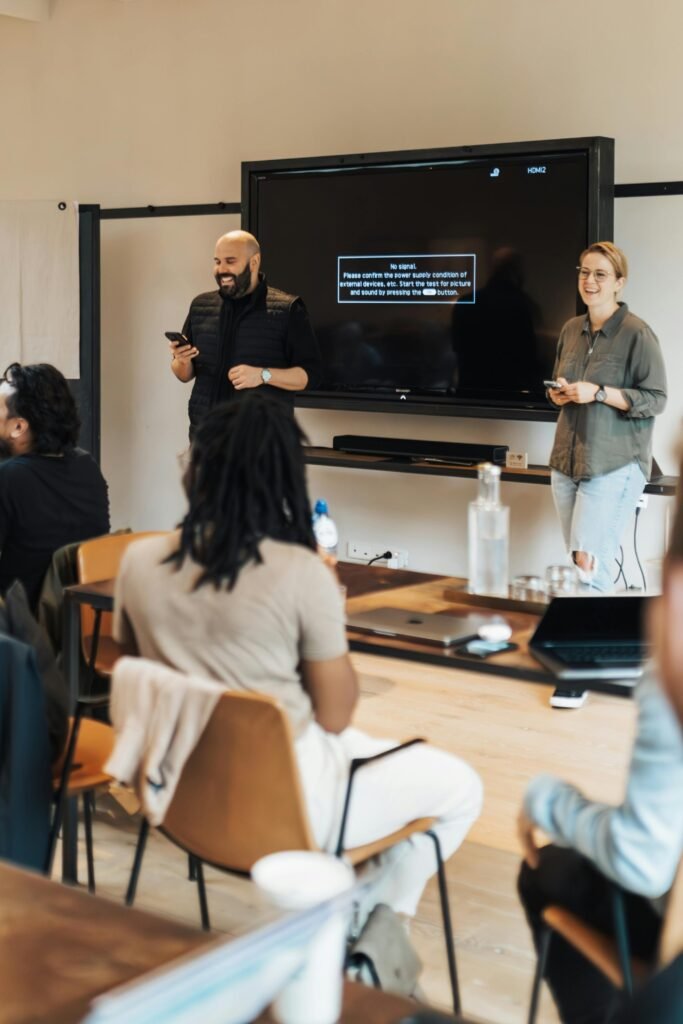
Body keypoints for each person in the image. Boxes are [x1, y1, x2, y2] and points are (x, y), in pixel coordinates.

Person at [114, 392, 482, 920]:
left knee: (364, 749)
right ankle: (360, 930)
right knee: (461, 788)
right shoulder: (300, 572)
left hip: (178, 797)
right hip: (289, 810)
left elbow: (142, 671)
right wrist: (326, 609)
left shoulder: (138, 561)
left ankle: (342, 921)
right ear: (284, 478)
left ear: (195, 472)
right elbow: (334, 716)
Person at [547, 242, 667, 592]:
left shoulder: (637, 334)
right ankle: (596, 625)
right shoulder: (570, 329)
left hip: (614, 465)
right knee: (578, 563)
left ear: (619, 282)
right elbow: (558, 387)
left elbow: (656, 399)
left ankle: (596, 628)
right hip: (566, 462)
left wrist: (598, 392)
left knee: (589, 563)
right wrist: (557, 394)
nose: (590, 281)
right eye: (585, 272)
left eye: (600, 274)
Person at [169, 230, 322, 438]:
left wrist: (263, 375)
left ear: (254, 262)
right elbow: (184, 374)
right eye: (217, 262)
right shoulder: (200, 305)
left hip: (261, 442)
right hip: (205, 438)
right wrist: (182, 361)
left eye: (230, 261)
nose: (221, 269)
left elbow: (311, 376)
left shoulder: (288, 310)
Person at [0, 363, 110, 611]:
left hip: (19, 625)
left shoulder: (9, 478)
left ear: (18, 427)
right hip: (83, 623)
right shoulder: (86, 465)